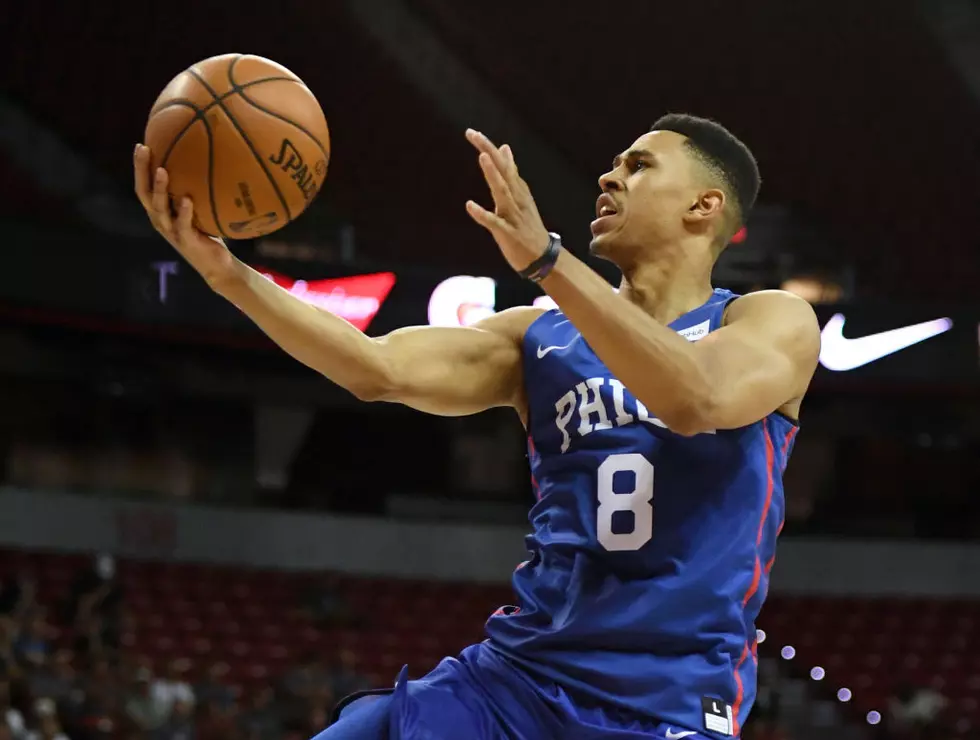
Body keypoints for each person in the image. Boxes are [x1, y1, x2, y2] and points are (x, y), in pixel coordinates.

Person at [133, 113, 820, 739]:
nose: (610, 176)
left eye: (640, 166)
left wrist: (550, 265)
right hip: (513, 682)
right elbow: (376, 368)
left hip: (666, 700)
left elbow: (696, 399)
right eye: (616, 163)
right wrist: (229, 276)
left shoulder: (764, 321)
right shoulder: (539, 338)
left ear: (705, 207)